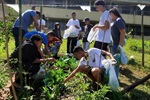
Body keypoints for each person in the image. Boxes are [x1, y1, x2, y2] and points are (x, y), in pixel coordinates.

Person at [109, 7, 126, 77]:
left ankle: (115, 78)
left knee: (116, 63)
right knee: (113, 61)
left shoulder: (118, 20)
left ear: (112, 14)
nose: (109, 17)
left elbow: (123, 32)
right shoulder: (113, 21)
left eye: (110, 15)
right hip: (112, 44)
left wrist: (119, 45)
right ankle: (113, 77)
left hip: (116, 44)